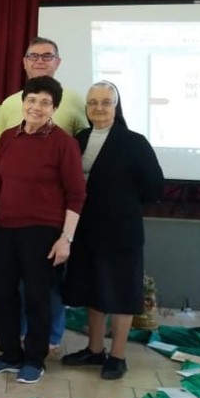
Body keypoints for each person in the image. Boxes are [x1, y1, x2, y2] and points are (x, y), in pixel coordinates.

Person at [0, 76, 86, 384]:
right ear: (23, 102)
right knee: (1, 295)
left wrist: (66, 237)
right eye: (32, 100)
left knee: (38, 297)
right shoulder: (10, 137)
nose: (36, 107)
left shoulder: (64, 143)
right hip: (5, 229)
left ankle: (34, 359)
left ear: (54, 108)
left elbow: (76, 194)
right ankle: (10, 354)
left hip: (44, 232)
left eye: (45, 102)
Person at [62, 81, 163, 380]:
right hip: (86, 229)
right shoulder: (79, 139)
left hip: (122, 231)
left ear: (116, 107)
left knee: (121, 293)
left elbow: (154, 187)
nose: (98, 108)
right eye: (93, 102)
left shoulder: (134, 142)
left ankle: (117, 355)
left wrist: (122, 203)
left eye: (105, 102)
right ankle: (94, 350)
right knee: (93, 289)